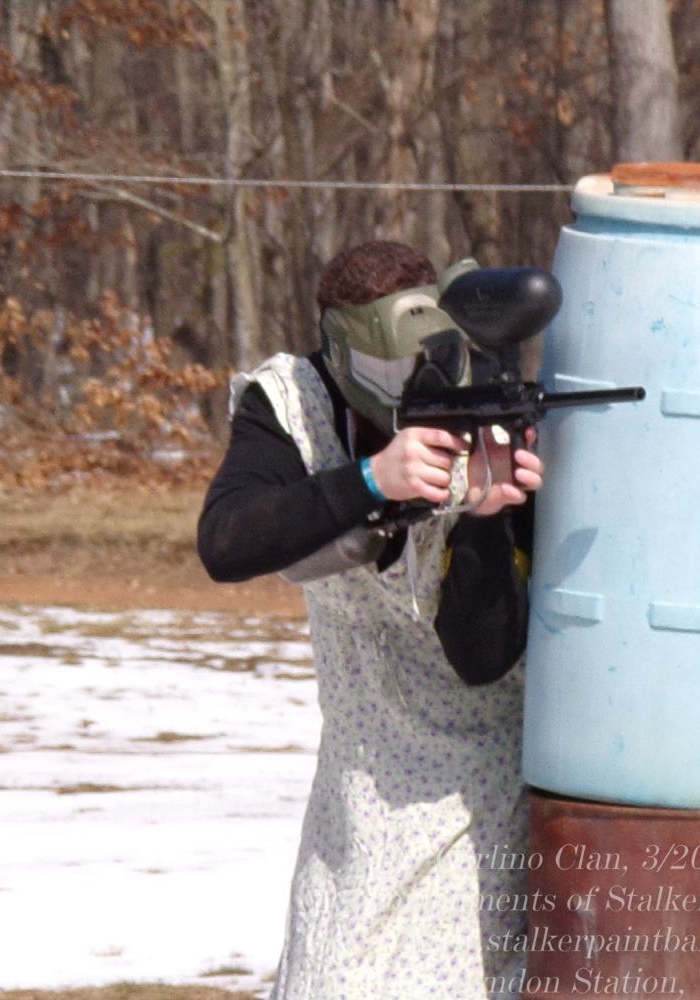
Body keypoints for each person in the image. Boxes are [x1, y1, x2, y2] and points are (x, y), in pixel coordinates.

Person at [197, 240, 542, 998]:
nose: (407, 387)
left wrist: (485, 521)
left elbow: (483, 656)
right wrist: (370, 480)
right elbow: (226, 543)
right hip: (359, 781)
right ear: (338, 352)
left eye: (420, 364)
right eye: (383, 371)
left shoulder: (481, 406)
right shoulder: (293, 399)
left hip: (480, 787)